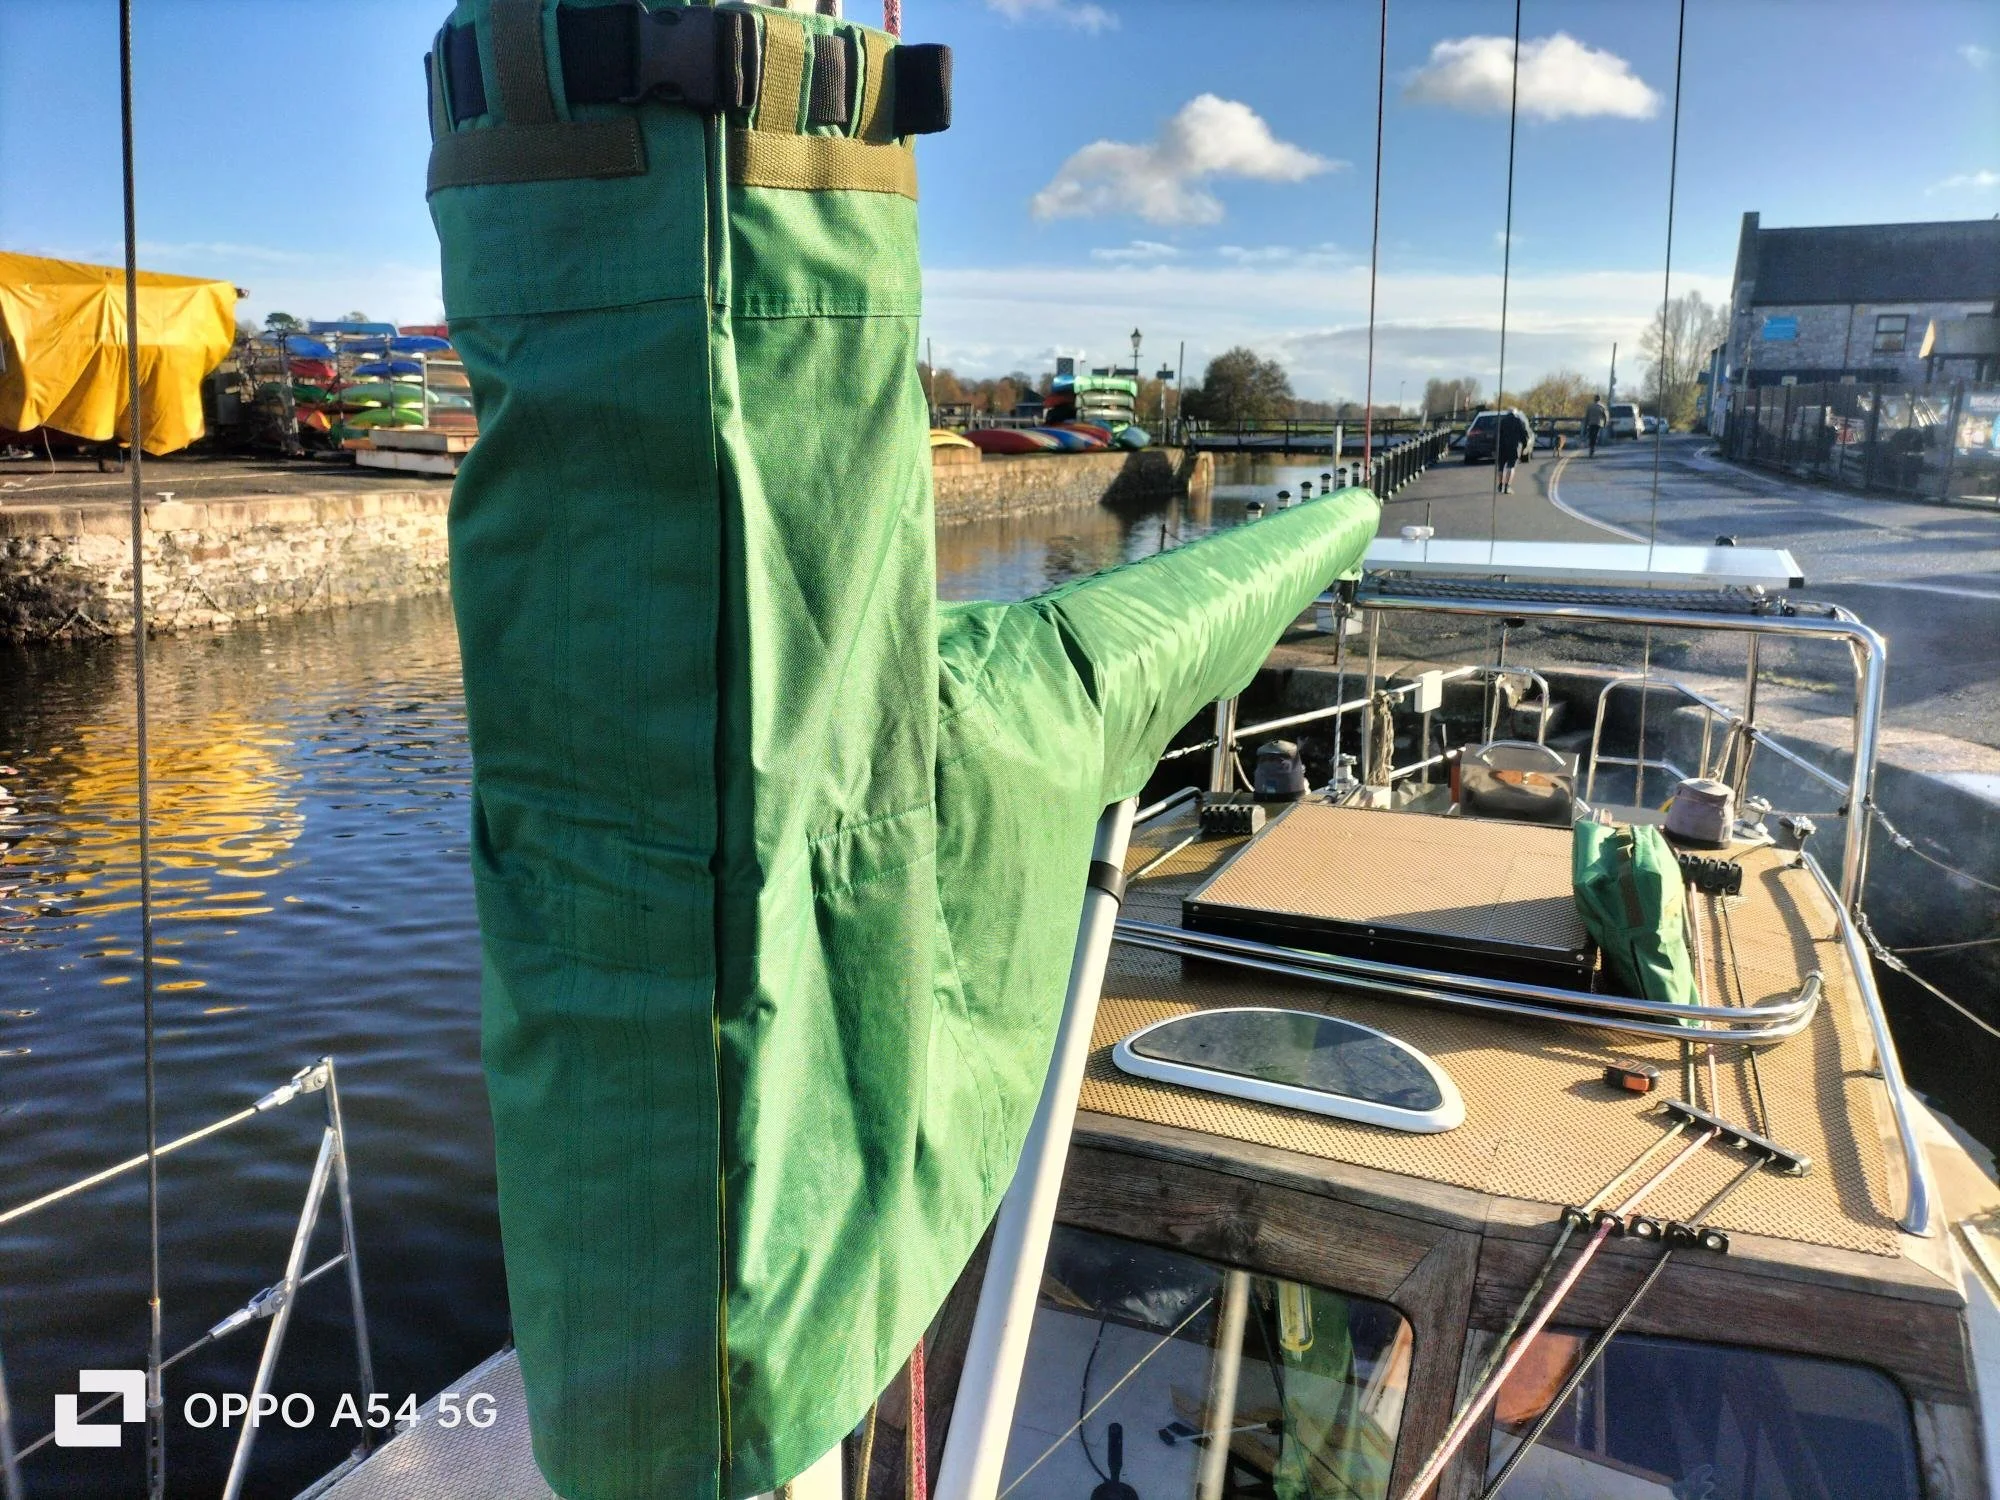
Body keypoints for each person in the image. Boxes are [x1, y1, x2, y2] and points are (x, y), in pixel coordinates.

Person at [1495, 407, 1532, 494]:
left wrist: (1495, 446)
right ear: (1515, 413)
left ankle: (1500, 485)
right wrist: (1525, 446)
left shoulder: (1502, 421)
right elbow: (1524, 435)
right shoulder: (1519, 421)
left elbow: (1497, 434)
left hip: (1502, 446)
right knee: (1511, 466)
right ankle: (1507, 487)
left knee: (1501, 466)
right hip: (1514, 447)